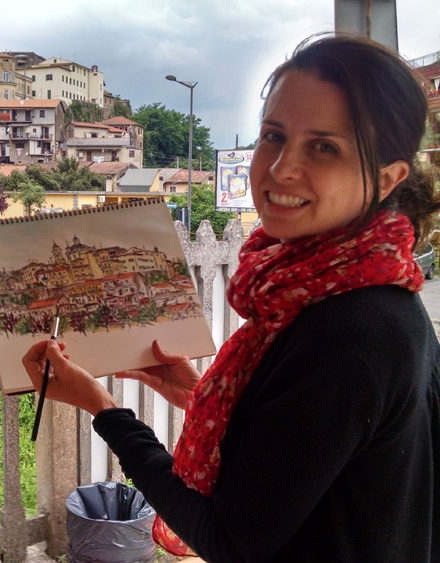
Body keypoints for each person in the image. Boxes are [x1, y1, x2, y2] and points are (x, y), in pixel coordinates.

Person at [23, 34, 440, 561]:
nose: (281, 168)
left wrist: (102, 409)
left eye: (324, 147)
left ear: (386, 179)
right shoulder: (363, 293)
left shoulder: (350, 332)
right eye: (274, 135)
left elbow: (227, 538)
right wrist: (198, 394)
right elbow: (304, 455)